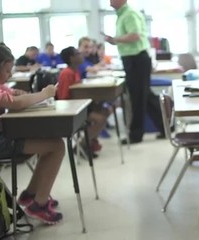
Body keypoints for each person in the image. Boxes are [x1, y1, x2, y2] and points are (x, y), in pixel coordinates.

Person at [0, 45, 64, 225]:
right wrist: (44, 94)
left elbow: (14, 96)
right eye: (7, 70)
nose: (10, 75)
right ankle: (38, 204)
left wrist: (18, 94)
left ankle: (30, 194)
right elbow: (15, 103)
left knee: (50, 143)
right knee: (56, 146)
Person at [104, 0, 165, 144]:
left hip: (137, 59)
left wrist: (115, 40)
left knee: (138, 98)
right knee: (146, 96)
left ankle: (136, 135)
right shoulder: (122, 14)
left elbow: (135, 35)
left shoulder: (129, 13)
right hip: (132, 59)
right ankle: (167, 126)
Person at [57, 46, 108, 156]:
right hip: (72, 108)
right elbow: (63, 97)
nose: (81, 54)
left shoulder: (76, 71)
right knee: (101, 119)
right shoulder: (66, 73)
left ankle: (90, 142)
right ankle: (83, 145)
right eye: (77, 53)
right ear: (71, 59)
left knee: (105, 111)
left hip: (81, 105)